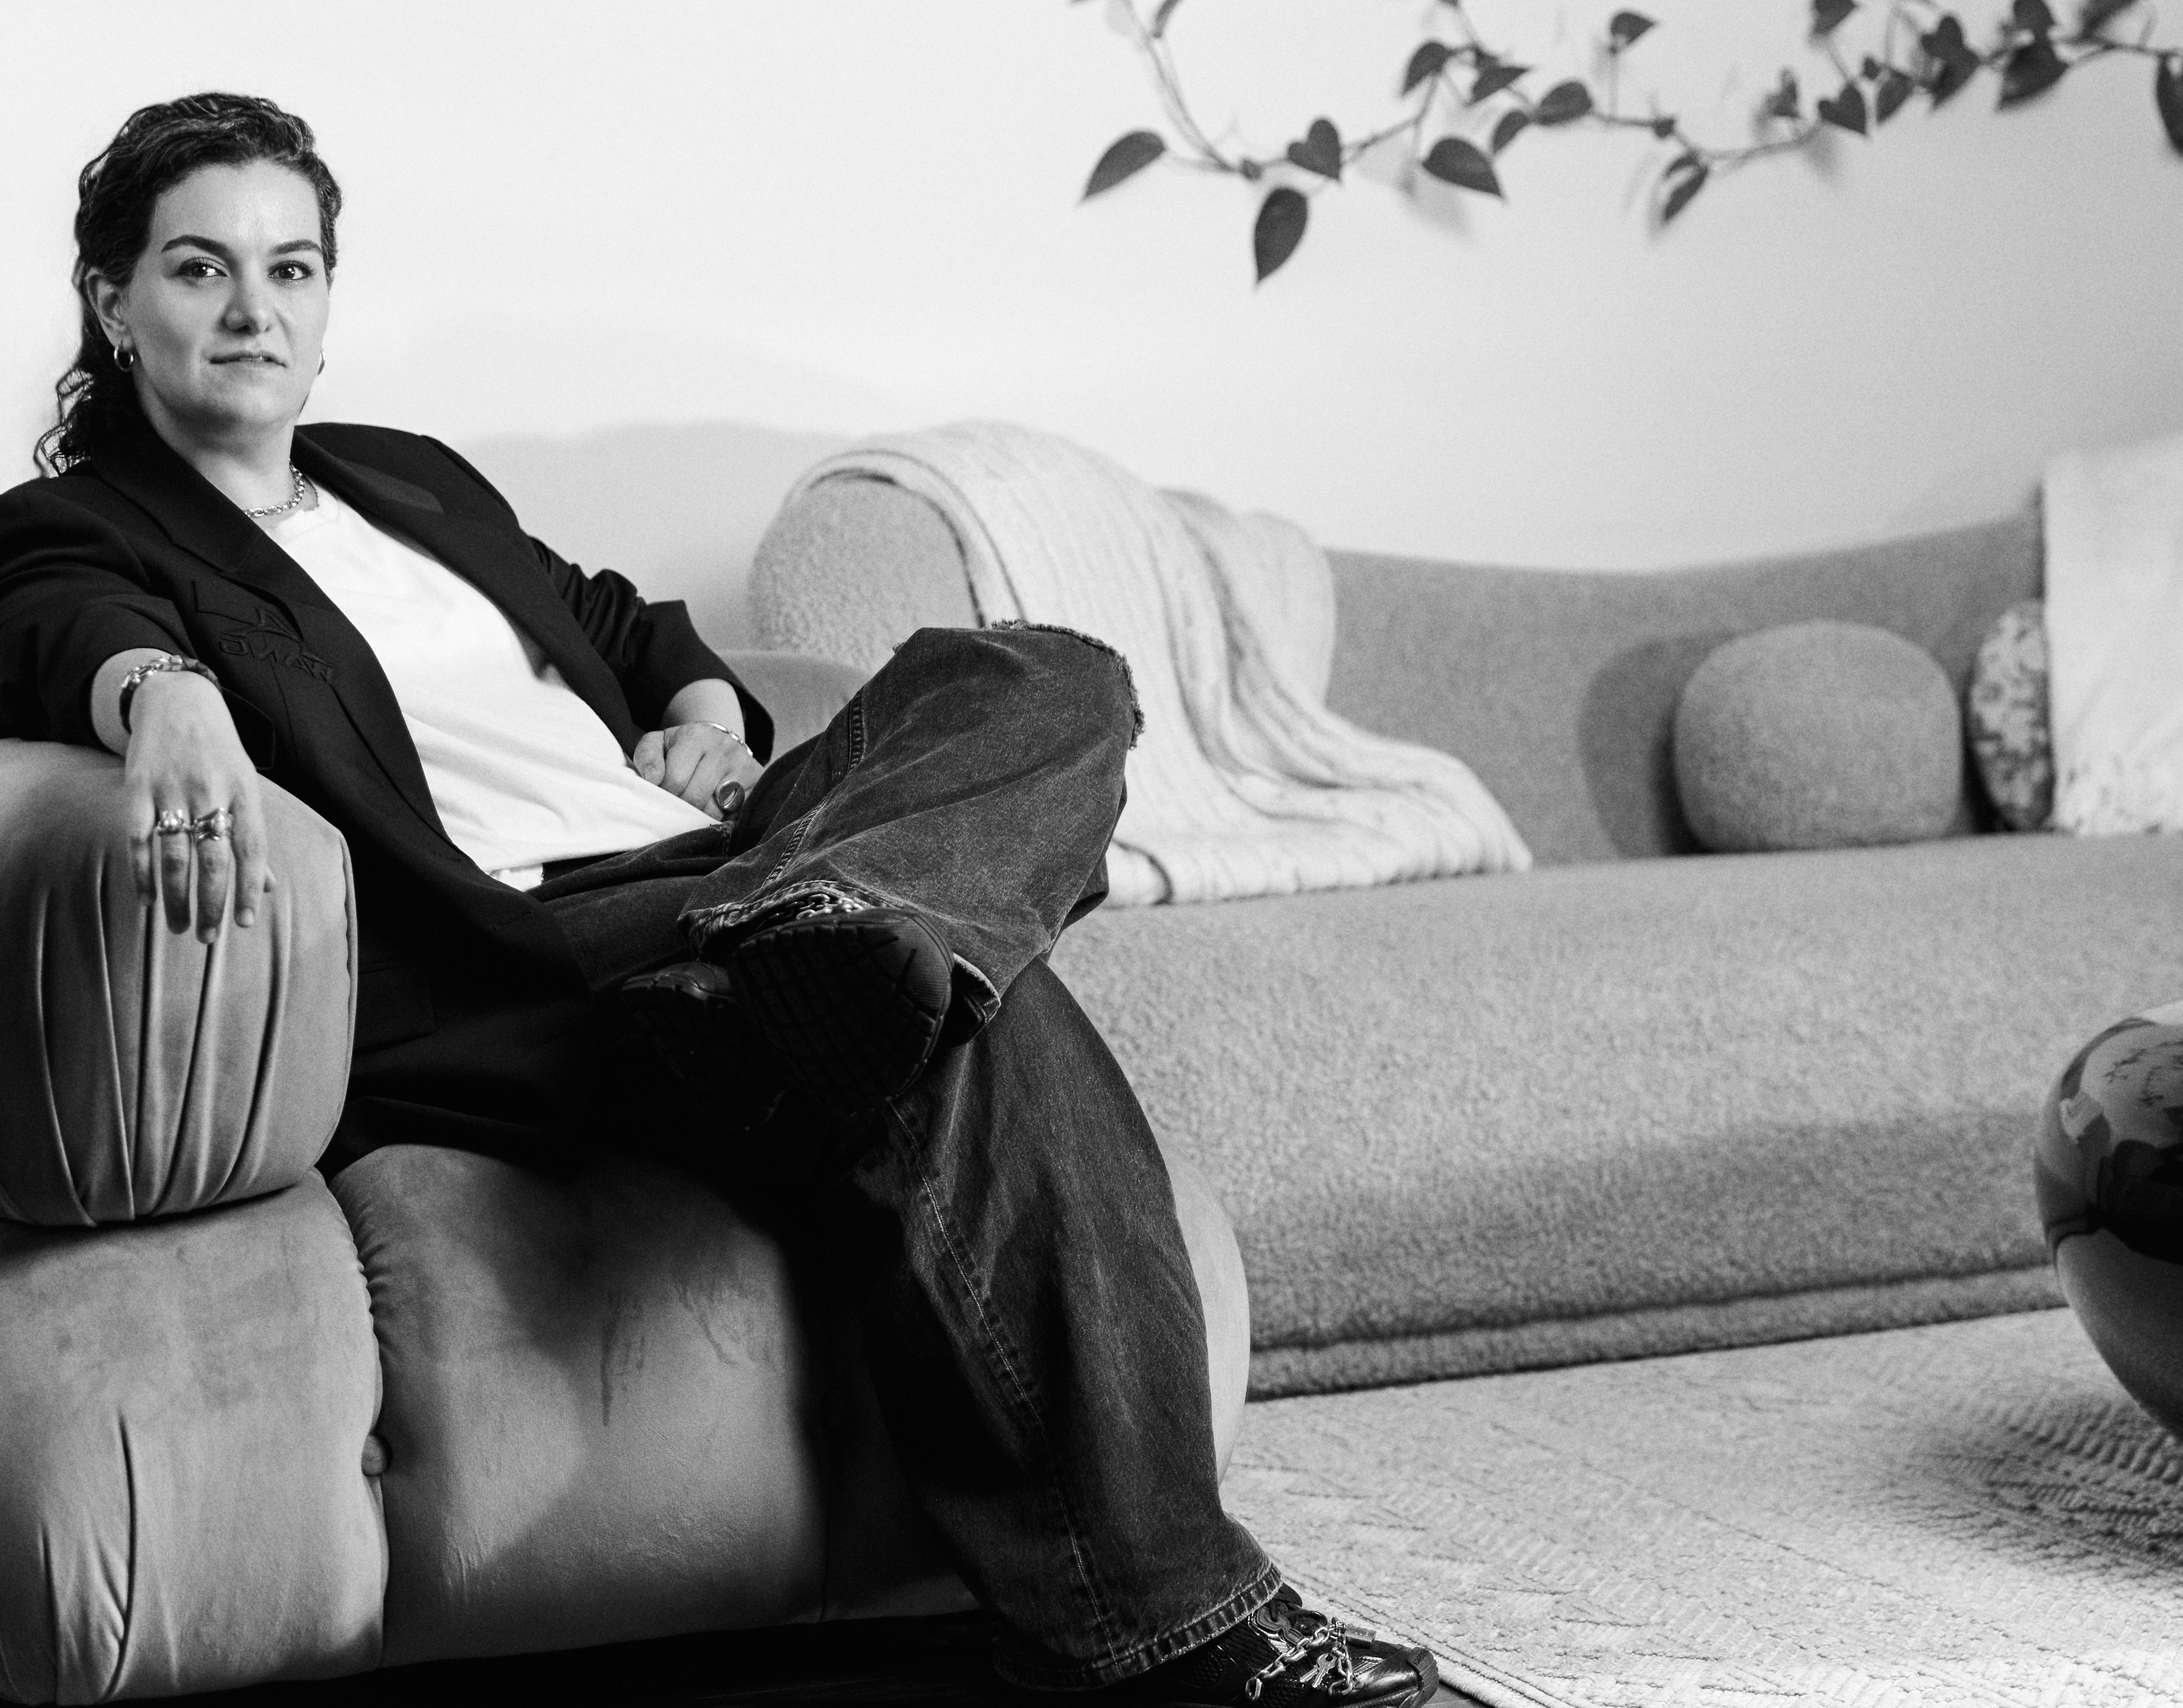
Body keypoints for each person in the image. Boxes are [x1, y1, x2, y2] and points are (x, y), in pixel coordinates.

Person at [0, 93, 1438, 1708]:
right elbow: (57, 621)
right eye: (200, 267)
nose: (253, 308)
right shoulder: (76, 528)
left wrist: (697, 711)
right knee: (978, 1004)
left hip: (733, 873)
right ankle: (1177, 1620)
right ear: (114, 300)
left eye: (291, 267)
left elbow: (623, 621)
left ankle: (818, 935)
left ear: (330, 300)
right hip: (535, 941)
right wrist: (162, 691)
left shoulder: (407, 479)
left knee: (1046, 675)